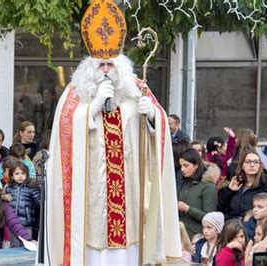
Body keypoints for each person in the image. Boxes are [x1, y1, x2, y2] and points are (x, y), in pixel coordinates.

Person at [45, 1, 181, 263]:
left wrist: (152, 116)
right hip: (92, 195)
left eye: (110, 65)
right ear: (90, 67)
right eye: (101, 65)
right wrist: (91, 110)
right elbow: (63, 133)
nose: (106, 70)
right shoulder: (76, 94)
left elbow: (160, 130)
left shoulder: (135, 89)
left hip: (129, 189)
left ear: (121, 66)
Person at [218, 149, 267, 220]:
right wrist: (229, 190)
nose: (252, 165)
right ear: (242, 165)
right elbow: (221, 209)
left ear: (260, 165)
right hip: (232, 226)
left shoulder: (265, 187)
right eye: (248, 162)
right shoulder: (235, 184)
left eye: (256, 162)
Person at [176, 149, 217, 237]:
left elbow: (210, 217)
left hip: (197, 237)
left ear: (196, 165)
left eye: (186, 165)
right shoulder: (183, 183)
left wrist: (188, 209)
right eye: (181, 166)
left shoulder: (208, 187)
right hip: (181, 236)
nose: (182, 169)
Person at [5, 161, 41, 244]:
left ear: (27, 175)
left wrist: (37, 193)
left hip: (26, 224)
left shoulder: (31, 188)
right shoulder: (8, 188)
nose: (20, 176)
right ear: (12, 176)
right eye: (17, 174)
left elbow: (39, 204)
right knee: (13, 246)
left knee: (26, 244)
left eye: (23, 173)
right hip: (12, 224)